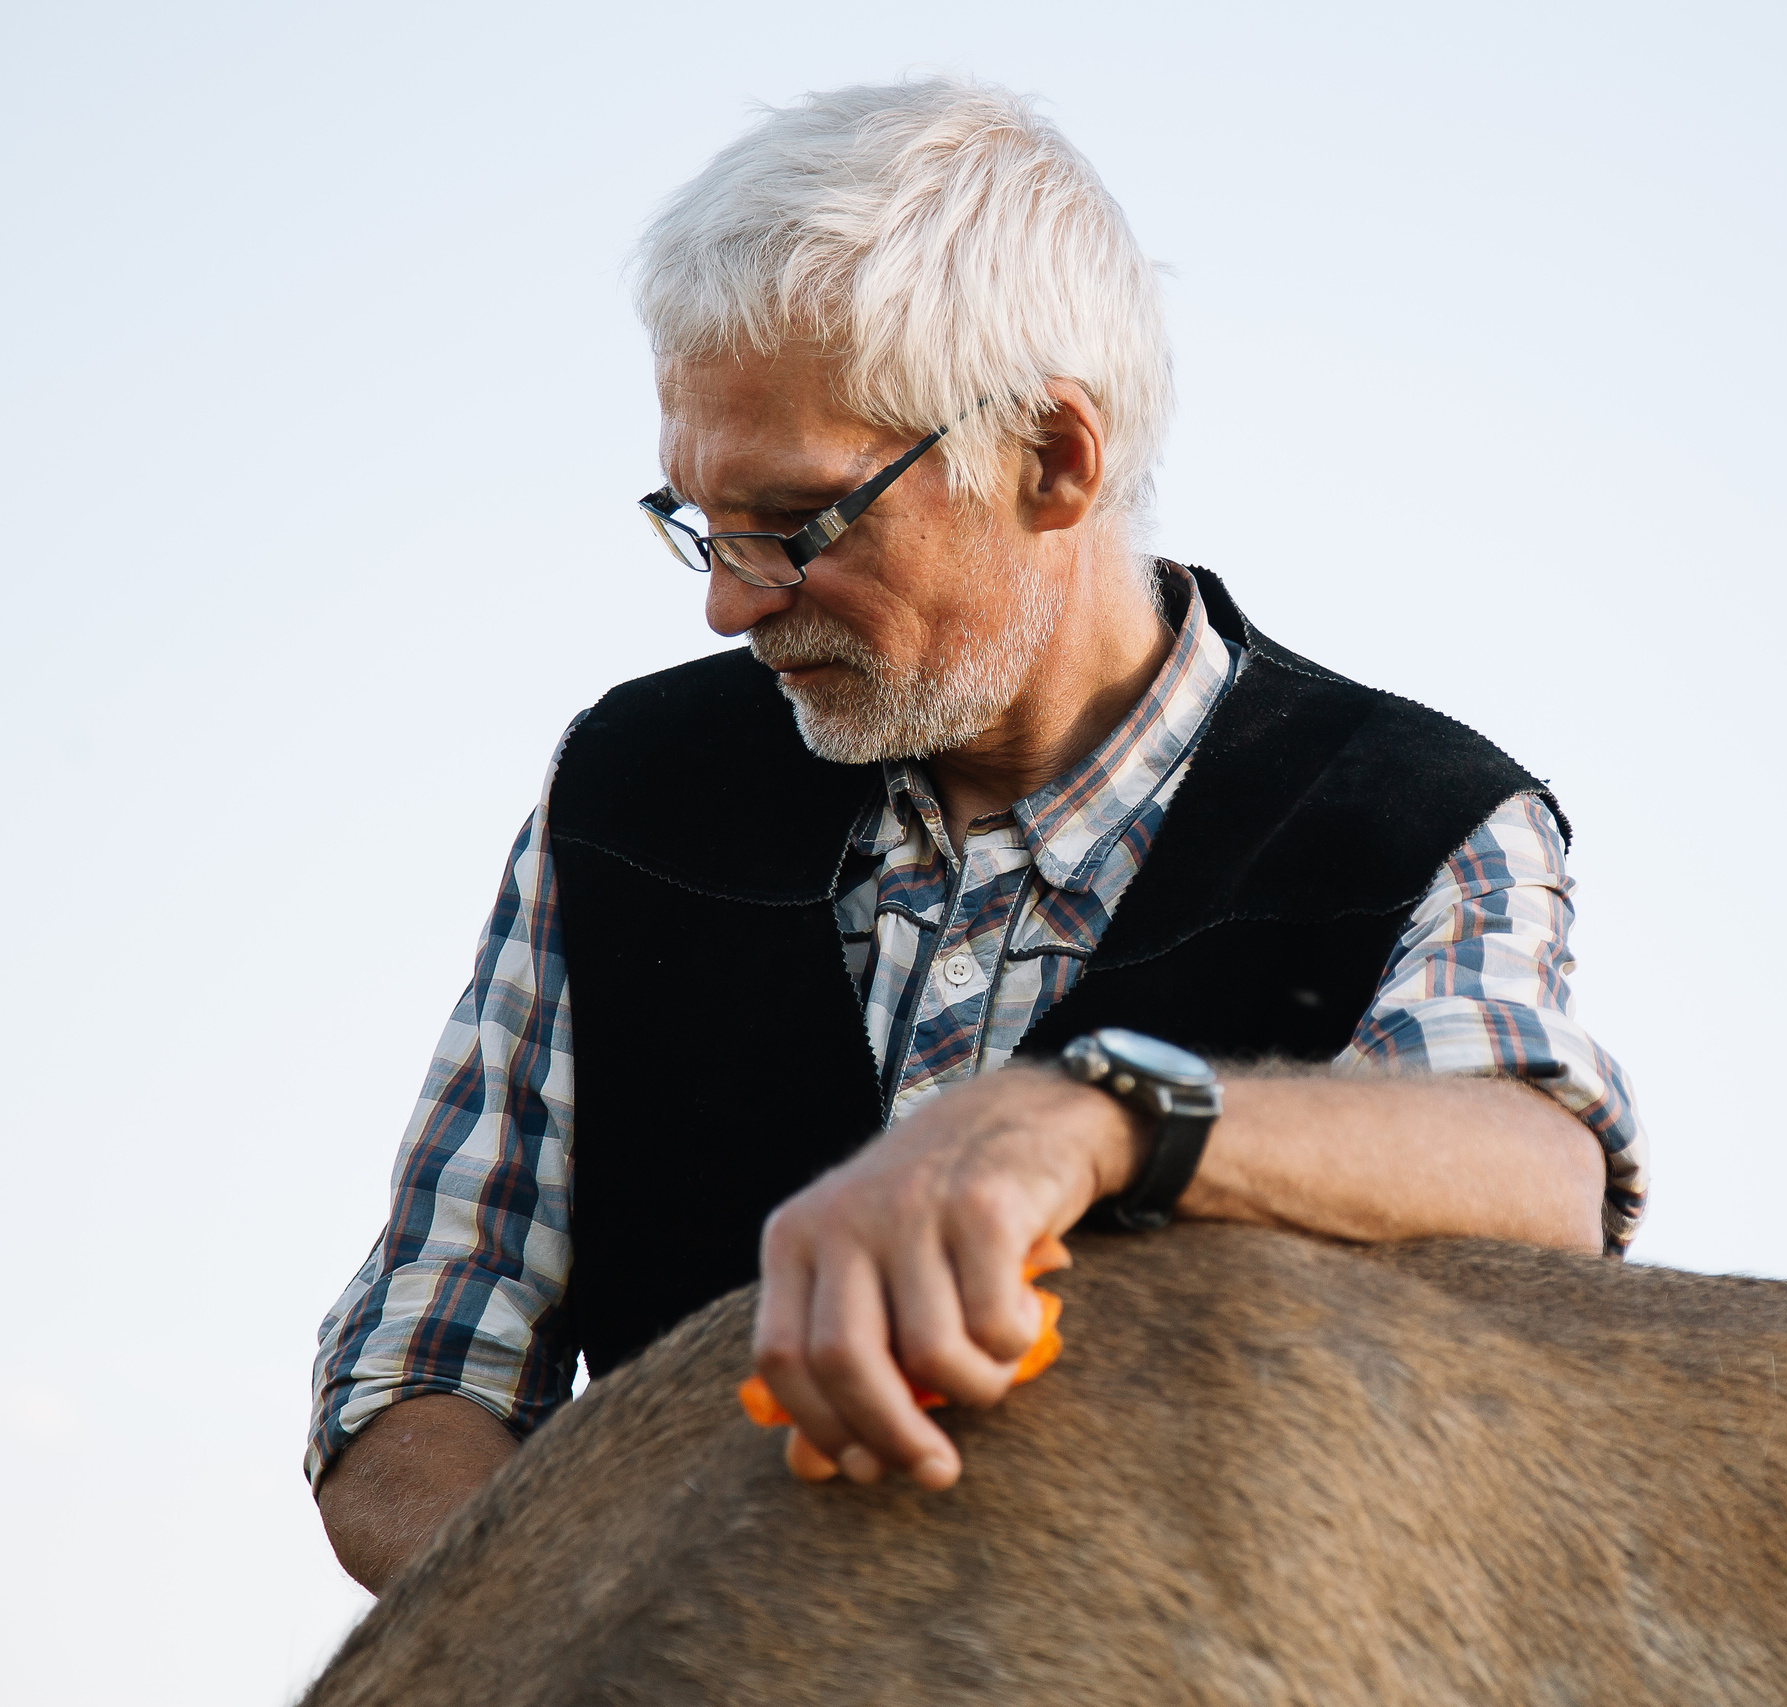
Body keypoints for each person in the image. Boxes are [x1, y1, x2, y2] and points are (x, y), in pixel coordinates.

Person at [307, 78, 1646, 1594]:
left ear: (1055, 460)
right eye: (697, 517)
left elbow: (1538, 1167)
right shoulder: (627, 785)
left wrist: (1083, 1122)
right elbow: (419, 1367)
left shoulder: (1417, 820)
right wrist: (627, 1642)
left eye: (800, 521)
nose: (727, 600)